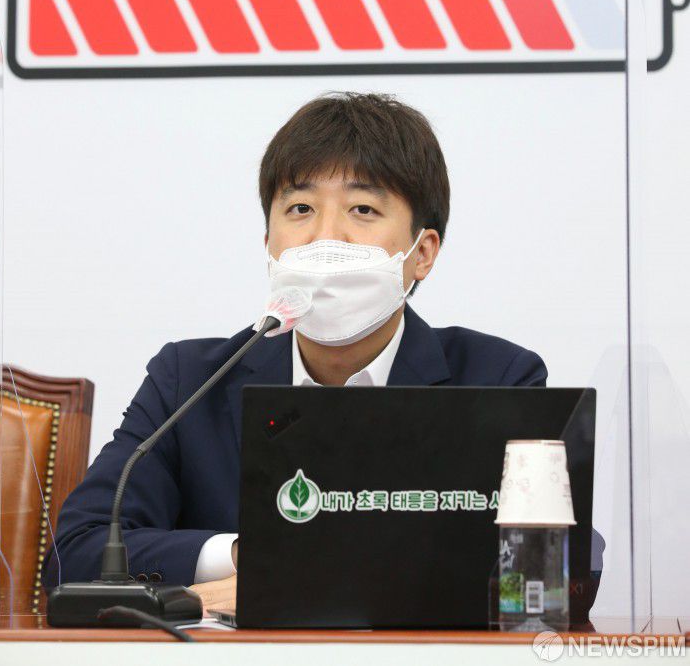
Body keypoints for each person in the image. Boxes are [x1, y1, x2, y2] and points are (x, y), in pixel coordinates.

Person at [42, 91, 546, 591]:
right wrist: (246, 556)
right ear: (269, 245)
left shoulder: (498, 382)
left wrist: (307, 569)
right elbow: (77, 552)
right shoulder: (189, 382)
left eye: (363, 209)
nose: (325, 237)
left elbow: (546, 561)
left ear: (423, 253)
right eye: (301, 208)